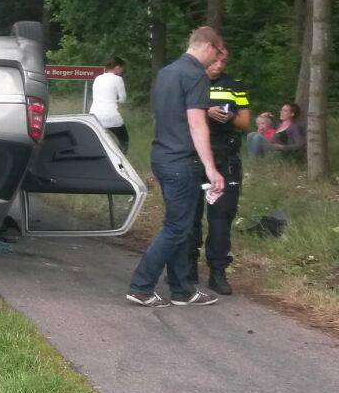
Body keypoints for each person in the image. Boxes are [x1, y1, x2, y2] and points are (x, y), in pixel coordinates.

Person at [127, 26, 225, 308]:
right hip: (182, 160)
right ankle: (141, 286)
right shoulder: (196, 75)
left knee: (183, 226)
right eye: (218, 54)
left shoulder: (167, 72)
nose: (217, 61)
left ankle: (183, 289)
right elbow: (196, 124)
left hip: (162, 155)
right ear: (208, 47)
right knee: (177, 227)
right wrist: (211, 168)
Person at [170, 46, 250, 296]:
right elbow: (176, 116)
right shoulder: (192, 82)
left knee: (221, 217)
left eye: (223, 62)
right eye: (215, 61)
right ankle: (188, 269)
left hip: (225, 157)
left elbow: (245, 122)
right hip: (193, 156)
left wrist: (229, 117)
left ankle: (218, 271)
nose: (218, 66)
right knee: (190, 216)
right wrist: (206, 112)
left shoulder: (235, 86)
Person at [89, 57, 129, 152]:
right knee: (124, 139)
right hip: (111, 116)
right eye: (122, 69)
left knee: (101, 142)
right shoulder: (118, 79)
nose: (122, 71)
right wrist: (116, 101)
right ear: (117, 67)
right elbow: (123, 99)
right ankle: (120, 160)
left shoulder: (97, 78)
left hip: (94, 116)